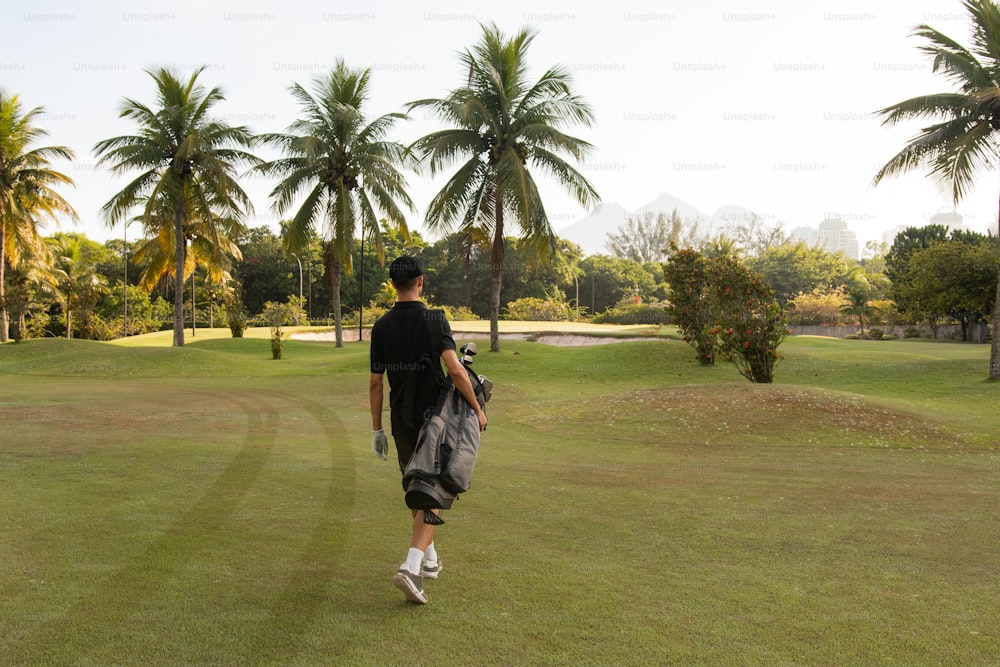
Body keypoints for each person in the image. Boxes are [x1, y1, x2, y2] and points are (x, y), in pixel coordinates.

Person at [369, 255, 488, 604]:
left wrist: (377, 430)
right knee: (435, 491)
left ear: (393, 284)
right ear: (421, 281)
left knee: (419, 489)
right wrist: (478, 411)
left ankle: (430, 560)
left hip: (401, 423)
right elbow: (455, 370)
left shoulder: (381, 326)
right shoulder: (434, 319)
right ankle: (411, 566)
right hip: (436, 421)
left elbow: (377, 384)